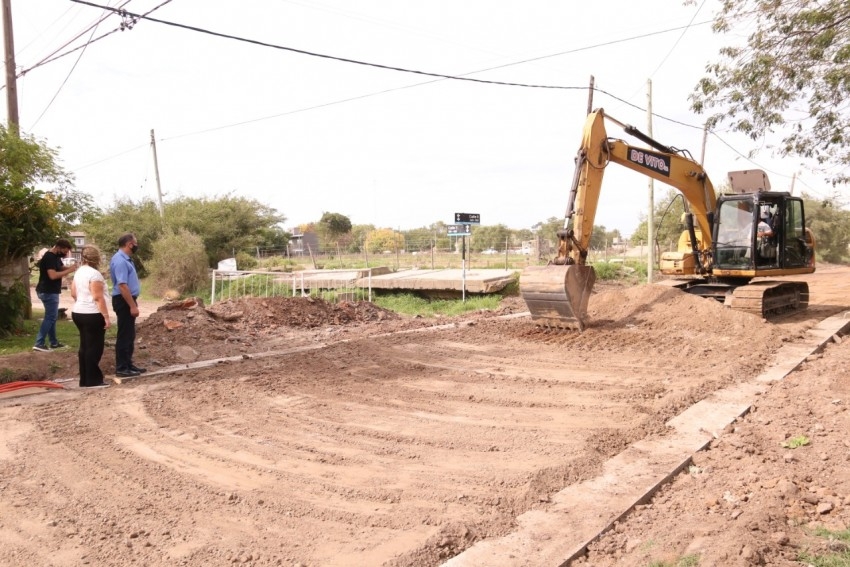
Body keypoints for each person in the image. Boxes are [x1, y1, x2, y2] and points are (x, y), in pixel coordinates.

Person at [71, 246, 111, 388]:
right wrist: (106, 316)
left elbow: (73, 293)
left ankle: (85, 379)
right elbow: (98, 297)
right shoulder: (95, 275)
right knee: (94, 347)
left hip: (78, 312)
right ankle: (94, 380)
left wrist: (81, 303)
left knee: (84, 347)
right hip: (92, 313)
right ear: (97, 258)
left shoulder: (78, 272)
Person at [109, 233, 146, 378]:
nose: (136, 245)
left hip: (127, 299)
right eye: (135, 243)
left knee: (130, 334)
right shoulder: (120, 261)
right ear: (129, 244)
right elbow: (122, 285)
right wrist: (132, 306)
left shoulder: (126, 259)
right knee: (124, 334)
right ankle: (122, 367)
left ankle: (128, 364)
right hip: (123, 300)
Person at [33, 238, 78, 352]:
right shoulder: (49, 257)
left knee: (52, 317)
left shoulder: (56, 257)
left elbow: (60, 268)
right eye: (65, 251)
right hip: (48, 291)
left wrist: (73, 268)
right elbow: (52, 275)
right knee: (51, 317)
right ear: (58, 247)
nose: (65, 254)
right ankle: (39, 343)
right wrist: (70, 270)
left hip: (50, 291)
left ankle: (53, 342)